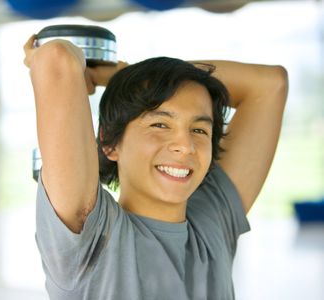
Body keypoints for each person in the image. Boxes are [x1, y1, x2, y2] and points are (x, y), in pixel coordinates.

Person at [23, 33, 288, 300]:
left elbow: (270, 85)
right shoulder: (91, 237)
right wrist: (135, 80)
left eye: (198, 129)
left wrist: (125, 75)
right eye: (160, 125)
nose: (186, 146)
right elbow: (56, 58)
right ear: (109, 142)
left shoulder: (212, 223)